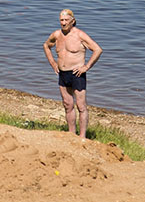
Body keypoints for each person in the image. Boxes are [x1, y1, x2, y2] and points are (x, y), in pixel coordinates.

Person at [43, 8, 103, 138]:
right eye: (61, 20)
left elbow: (97, 49)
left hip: (77, 74)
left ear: (73, 21)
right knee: (67, 104)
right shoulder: (56, 35)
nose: (63, 23)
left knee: (81, 106)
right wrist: (53, 63)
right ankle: (71, 134)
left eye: (66, 20)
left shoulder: (80, 35)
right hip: (63, 74)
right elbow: (46, 46)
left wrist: (86, 66)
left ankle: (82, 137)